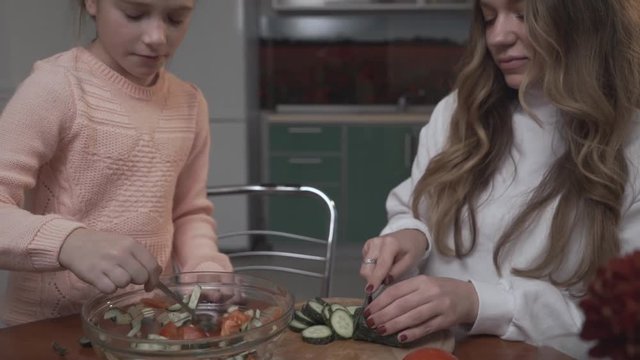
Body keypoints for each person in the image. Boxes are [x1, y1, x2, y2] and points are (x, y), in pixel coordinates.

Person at [359, 0, 640, 357]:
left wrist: (478, 303)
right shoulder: (458, 111)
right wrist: (409, 235)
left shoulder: (633, 146)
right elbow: (416, 206)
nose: (497, 37)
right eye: (489, 18)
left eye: (523, 16)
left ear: (583, 19)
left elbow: (619, 325)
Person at [0, 0, 232, 326]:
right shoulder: (54, 88)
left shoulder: (190, 103)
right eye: (134, 14)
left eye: (175, 18)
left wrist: (203, 263)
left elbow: (188, 211)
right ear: (92, 3)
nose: (157, 37)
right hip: (50, 328)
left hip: (149, 325)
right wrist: (69, 242)